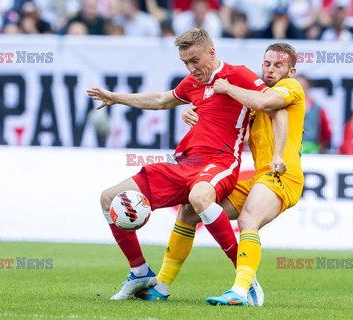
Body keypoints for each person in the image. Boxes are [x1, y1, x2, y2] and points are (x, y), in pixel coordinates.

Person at [87, 28, 285, 301]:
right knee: (109, 198)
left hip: (221, 161)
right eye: (185, 63)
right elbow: (159, 101)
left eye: (195, 60)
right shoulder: (192, 83)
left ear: (212, 52)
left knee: (199, 197)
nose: (191, 68)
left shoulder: (237, 74)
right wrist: (116, 97)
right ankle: (140, 272)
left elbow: (273, 104)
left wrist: (278, 154)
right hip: (186, 162)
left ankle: (245, 279)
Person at [135, 43, 303, 305]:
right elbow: (234, 129)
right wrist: (195, 112)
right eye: (267, 63)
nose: (270, 69)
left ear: (291, 70)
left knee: (248, 220)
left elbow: (265, 102)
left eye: (278, 65)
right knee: (189, 210)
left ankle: (241, 289)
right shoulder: (254, 97)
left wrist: (227, 88)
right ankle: (162, 286)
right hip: (261, 177)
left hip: (284, 176)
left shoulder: (290, 88)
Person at [296, 74, 331, 154]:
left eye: (303, 86)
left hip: (312, 149)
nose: (300, 89)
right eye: (297, 86)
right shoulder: (286, 108)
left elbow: (325, 132)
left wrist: (322, 147)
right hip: (292, 147)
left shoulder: (318, 109)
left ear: (308, 86)